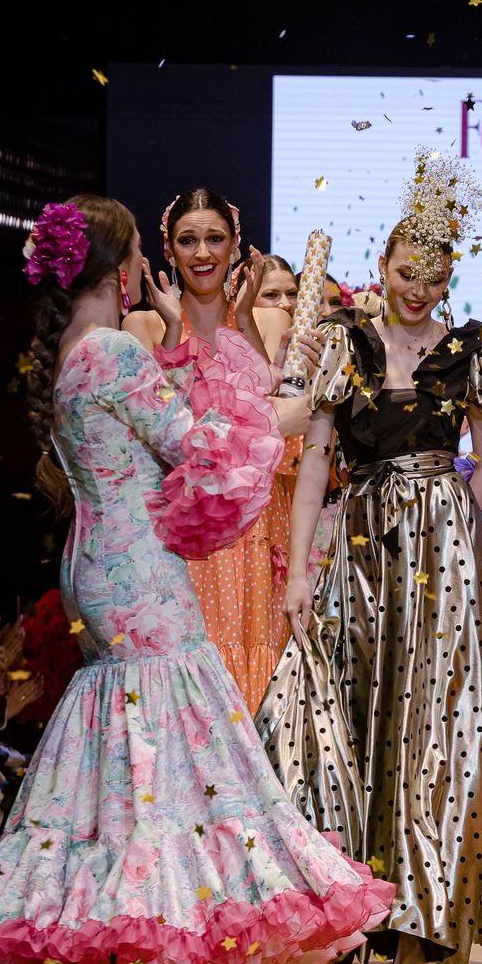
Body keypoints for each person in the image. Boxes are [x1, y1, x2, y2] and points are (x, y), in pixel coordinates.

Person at [0, 196, 392, 964]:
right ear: (123, 264)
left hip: (100, 563)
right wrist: (297, 407)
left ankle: (122, 963)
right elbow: (198, 444)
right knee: (164, 749)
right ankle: (140, 958)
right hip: (135, 568)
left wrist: (184, 351)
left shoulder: (77, 350)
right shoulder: (110, 352)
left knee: (122, 752)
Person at [260, 152, 482, 964]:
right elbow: (312, 467)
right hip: (362, 549)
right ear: (383, 267)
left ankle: (423, 921)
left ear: (450, 275)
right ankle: (356, 911)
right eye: (408, 270)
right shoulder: (347, 345)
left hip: (445, 556)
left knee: (435, 732)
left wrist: (448, 522)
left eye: (435, 273)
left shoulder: (473, 347)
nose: (420, 286)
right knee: (356, 723)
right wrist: (301, 572)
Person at [123, 190, 315, 710]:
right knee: (195, 688)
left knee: (264, 679)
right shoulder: (141, 326)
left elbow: (280, 420)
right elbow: (160, 434)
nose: (202, 252)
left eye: (214, 239)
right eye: (188, 240)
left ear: (234, 247)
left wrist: (248, 316)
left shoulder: (269, 321)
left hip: (258, 525)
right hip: (188, 532)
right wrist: (171, 334)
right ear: (169, 248)